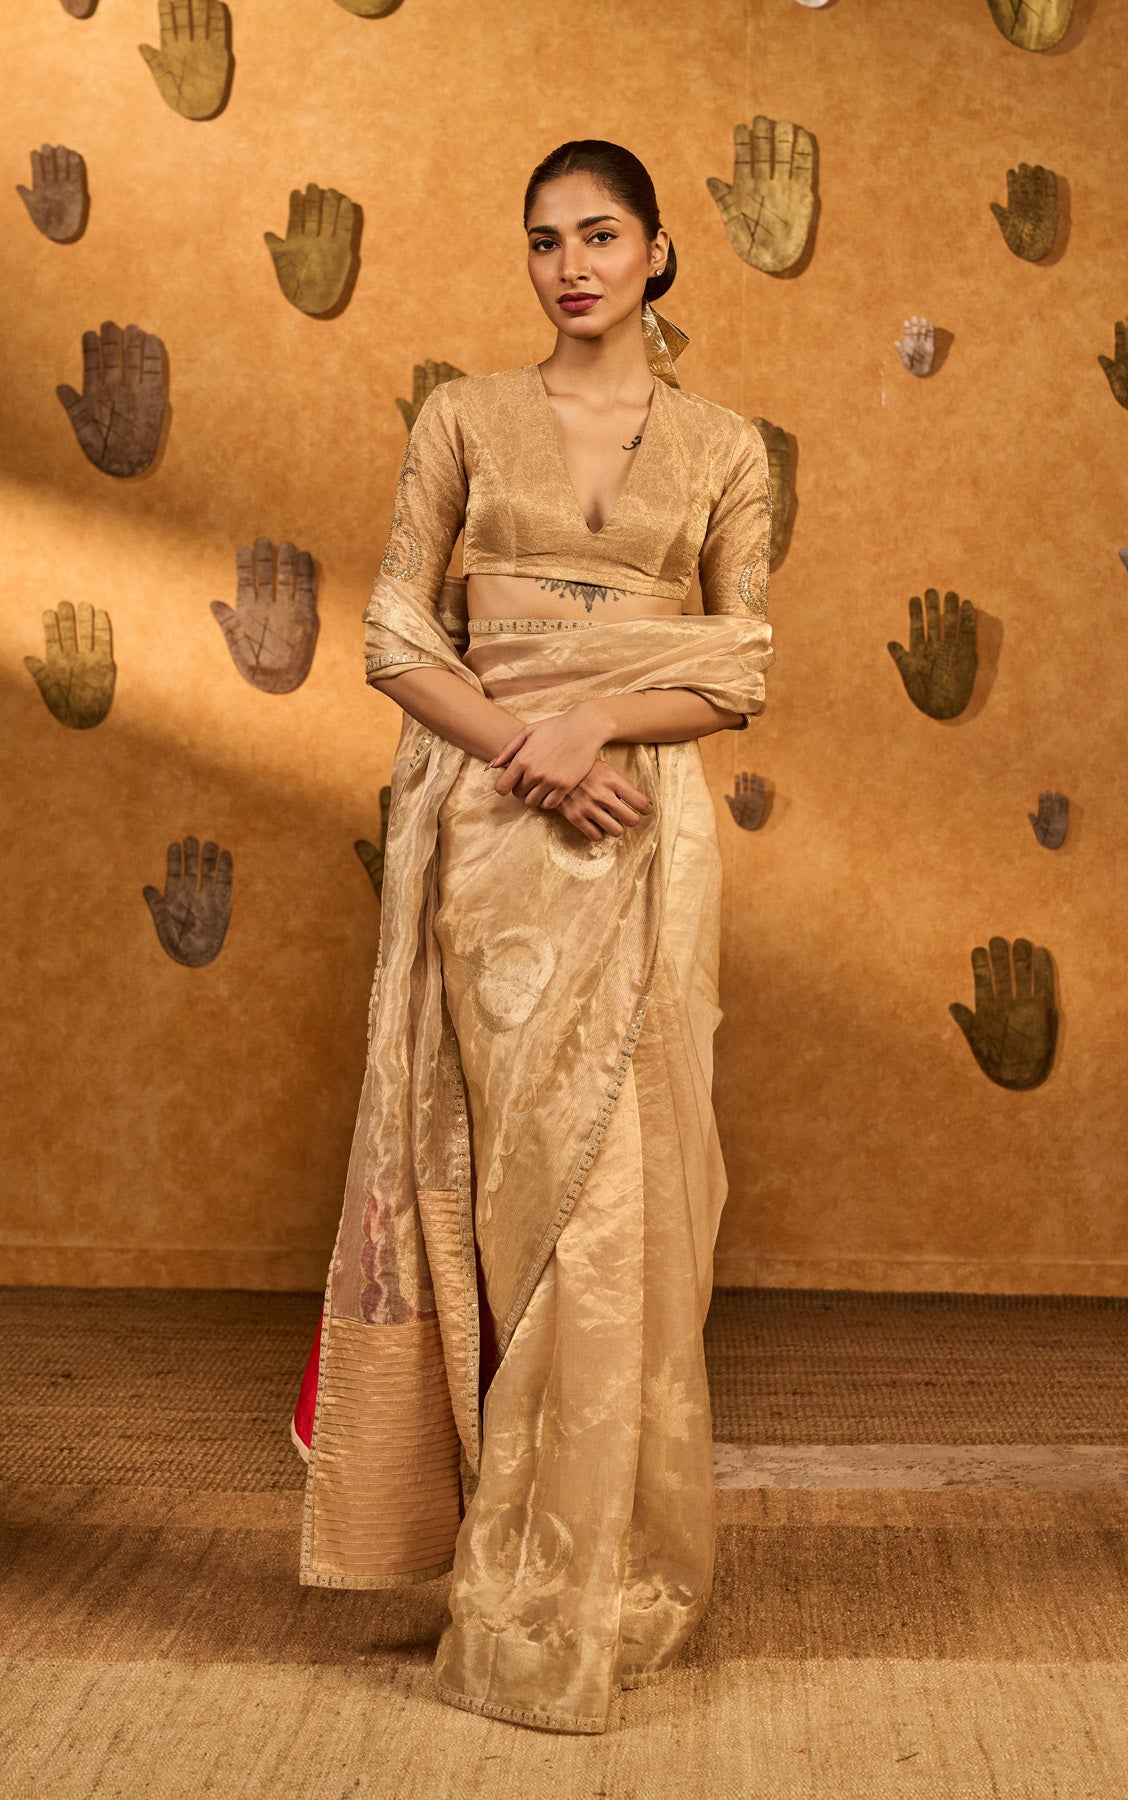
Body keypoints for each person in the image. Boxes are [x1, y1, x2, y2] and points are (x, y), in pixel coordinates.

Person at [288, 138, 775, 1735]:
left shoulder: (723, 447)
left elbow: (737, 668)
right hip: (494, 840)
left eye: (601, 236)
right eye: (546, 241)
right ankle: (504, 1558)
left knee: (627, 1191)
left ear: (658, 254)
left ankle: (587, 1576)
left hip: (644, 839)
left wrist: (598, 725)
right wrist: (526, 747)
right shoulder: (461, 417)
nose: (572, 266)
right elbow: (393, 631)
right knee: (523, 1192)